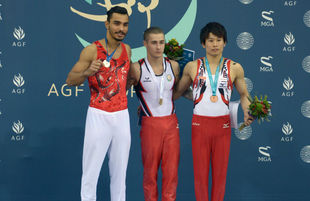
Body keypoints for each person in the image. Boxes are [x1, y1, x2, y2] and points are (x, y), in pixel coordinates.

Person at [174, 22, 254, 201]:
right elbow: (177, 92)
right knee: (200, 175)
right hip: (199, 124)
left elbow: (244, 94)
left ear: (225, 42)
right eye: (210, 40)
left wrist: (248, 112)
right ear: (203, 43)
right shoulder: (192, 67)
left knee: (220, 174)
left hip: (223, 125)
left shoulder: (234, 67)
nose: (215, 44)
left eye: (219, 40)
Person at [66, 6, 131, 201]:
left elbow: (125, 81)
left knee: (120, 175)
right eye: (117, 23)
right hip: (98, 115)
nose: (121, 28)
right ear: (107, 24)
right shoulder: (92, 50)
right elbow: (70, 80)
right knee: (90, 173)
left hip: (122, 116)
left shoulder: (127, 49)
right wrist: (87, 72)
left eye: (125, 24)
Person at [127, 27, 190, 201]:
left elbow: (178, 92)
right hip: (150, 125)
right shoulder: (136, 68)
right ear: (145, 44)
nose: (158, 47)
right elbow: (119, 92)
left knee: (171, 173)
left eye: (161, 42)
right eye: (154, 43)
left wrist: (203, 100)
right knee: (150, 173)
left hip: (171, 124)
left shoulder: (174, 66)